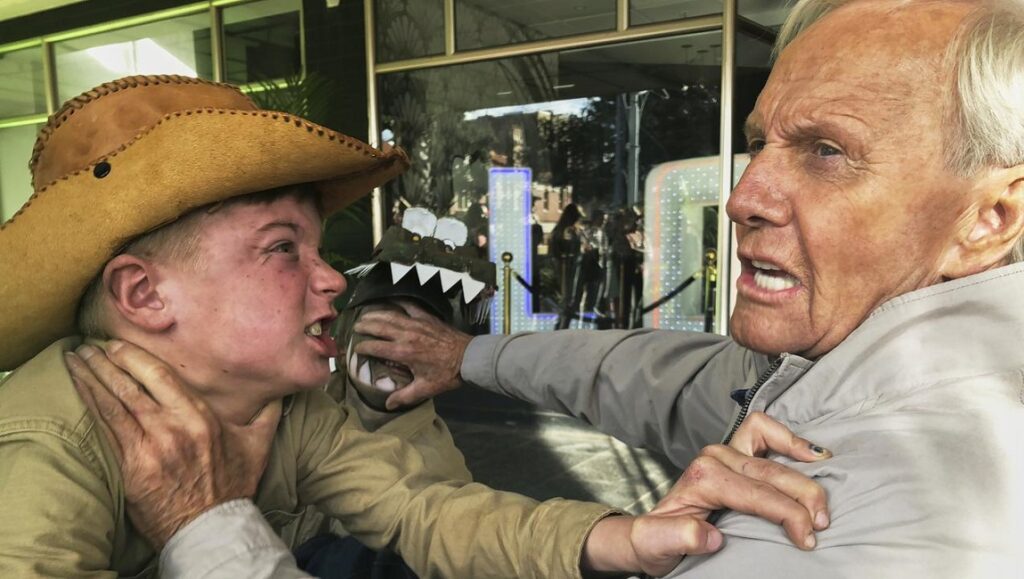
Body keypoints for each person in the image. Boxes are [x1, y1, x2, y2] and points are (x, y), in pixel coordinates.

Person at [0, 75, 829, 578]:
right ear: (144, 297)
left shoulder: (291, 405)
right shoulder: (47, 446)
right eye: (282, 249)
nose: (332, 278)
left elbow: (427, 514)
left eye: (320, 248)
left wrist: (623, 536)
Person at [355, 0, 1024, 576]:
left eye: (826, 150)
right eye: (760, 142)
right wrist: (466, 355)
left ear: (991, 218)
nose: (743, 197)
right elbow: (654, 377)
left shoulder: (862, 517)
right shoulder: (820, 363)